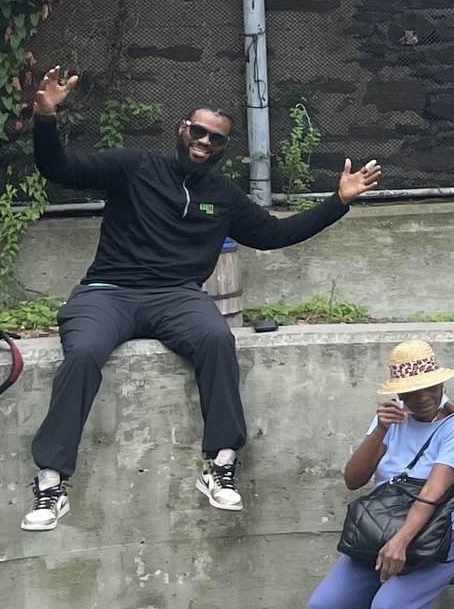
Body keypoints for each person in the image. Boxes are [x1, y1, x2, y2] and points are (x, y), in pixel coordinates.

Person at [22, 67, 381, 532]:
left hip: (177, 296)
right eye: (199, 131)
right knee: (85, 351)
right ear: (182, 130)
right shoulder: (134, 167)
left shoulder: (223, 197)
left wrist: (339, 201)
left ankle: (220, 463)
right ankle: (51, 483)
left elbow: (274, 234)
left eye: (216, 139)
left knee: (216, 338)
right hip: (110, 291)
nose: (205, 142)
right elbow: (60, 169)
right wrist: (45, 118)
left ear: (222, 148)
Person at [289, 340, 454, 609]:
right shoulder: (389, 419)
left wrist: (401, 542)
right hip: (380, 532)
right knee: (323, 608)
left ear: (441, 383)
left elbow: (434, 493)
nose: (422, 398)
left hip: (440, 535)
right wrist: (380, 430)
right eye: (411, 392)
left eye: (429, 387)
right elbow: (353, 478)